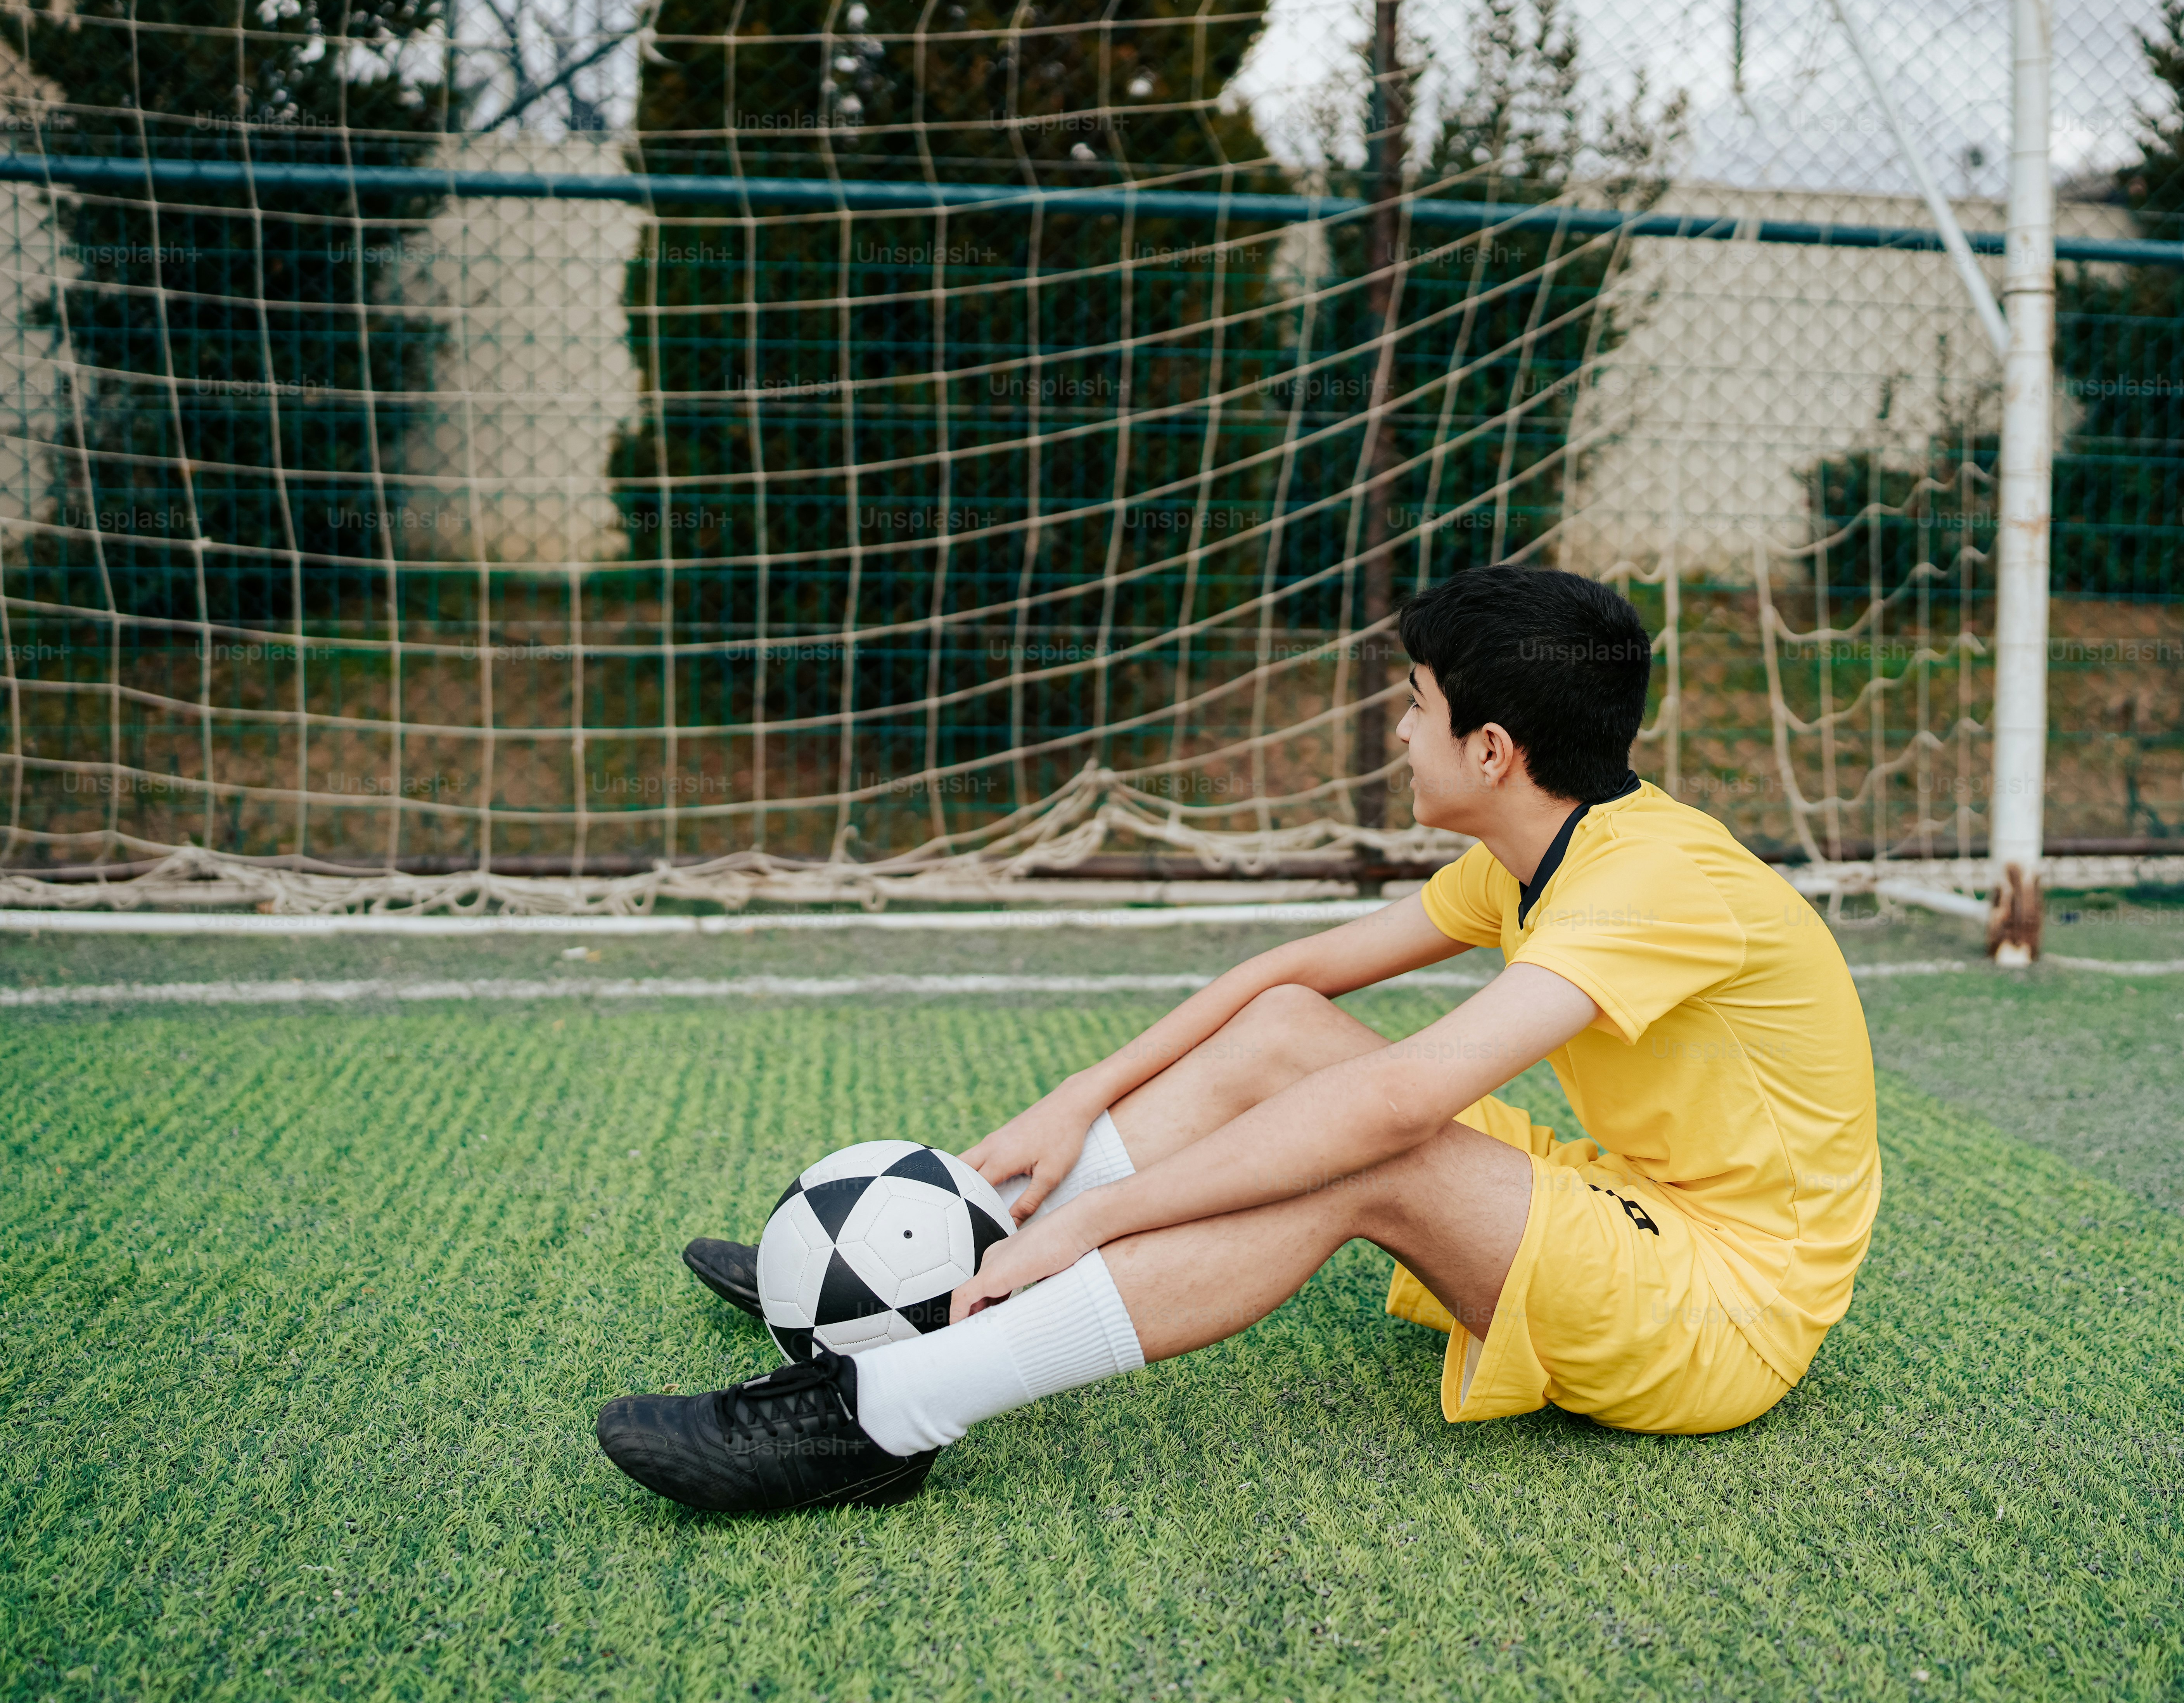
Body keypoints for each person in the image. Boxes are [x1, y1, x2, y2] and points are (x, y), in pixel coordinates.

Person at [595, 564, 1881, 1512]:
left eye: (1415, 706)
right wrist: (1068, 1107)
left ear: (1490, 749)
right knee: (1283, 1034)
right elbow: (1291, 978)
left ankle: (883, 1418)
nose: (1398, 729)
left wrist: (1099, 1219)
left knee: (1377, 1159)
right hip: (1631, 1204)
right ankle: (953, 1255)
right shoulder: (1544, 840)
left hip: (1725, 1308)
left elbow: (1396, 1107)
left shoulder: (1654, 886)